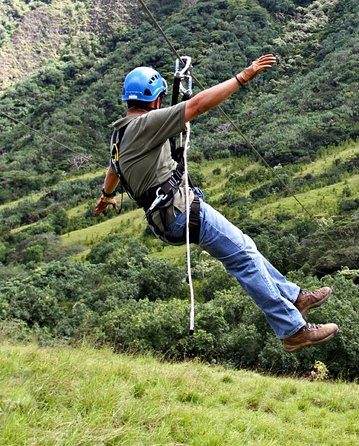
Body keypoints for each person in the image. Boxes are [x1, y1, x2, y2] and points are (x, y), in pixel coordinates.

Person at [93, 54, 338, 352]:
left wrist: (106, 196)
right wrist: (242, 77)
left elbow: (112, 169)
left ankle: (296, 297)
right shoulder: (147, 124)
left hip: (167, 218)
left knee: (246, 248)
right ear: (156, 101)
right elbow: (196, 106)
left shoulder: (119, 134)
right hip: (182, 212)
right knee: (244, 259)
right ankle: (292, 329)